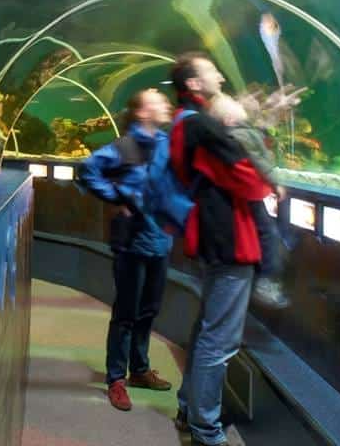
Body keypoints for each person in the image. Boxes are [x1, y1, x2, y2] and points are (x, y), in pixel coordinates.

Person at [169, 52, 274, 446]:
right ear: (193, 84)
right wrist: (269, 183)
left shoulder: (185, 124)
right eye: (210, 69)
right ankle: (206, 430)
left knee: (206, 331)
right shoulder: (200, 126)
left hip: (212, 238)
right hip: (229, 239)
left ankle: (189, 408)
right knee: (220, 341)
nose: (218, 73)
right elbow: (247, 178)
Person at [77, 89, 174, 412]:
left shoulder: (164, 144)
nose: (165, 103)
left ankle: (141, 369)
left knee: (149, 310)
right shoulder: (124, 147)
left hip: (160, 240)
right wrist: (115, 198)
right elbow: (88, 169)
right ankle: (116, 378)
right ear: (143, 113)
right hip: (132, 243)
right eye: (156, 100)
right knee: (126, 314)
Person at [207, 92, 290, 309]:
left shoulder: (241, 132)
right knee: (269, 233)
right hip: (248, 198)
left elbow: (256, 136)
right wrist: (274, 182)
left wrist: (268, 119)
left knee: (269, 233)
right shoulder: (238, 137)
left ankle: (266, 275)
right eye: (235, 103)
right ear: (229, 120)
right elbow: (258, 160)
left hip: (246, 199)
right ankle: (266, 279)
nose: (240, 102)